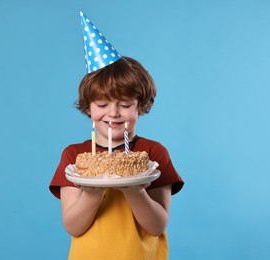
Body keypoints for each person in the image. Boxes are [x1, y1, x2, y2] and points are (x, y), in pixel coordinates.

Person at [49, 12, 184, 260]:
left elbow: (156, 226)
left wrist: (134, 189)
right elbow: (73, 226)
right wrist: (92, 187)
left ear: (139, 106)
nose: (113, 113)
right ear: (88, 107)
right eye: (102, 104)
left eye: (124, 104)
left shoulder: (152, 154)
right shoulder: (75, 157)